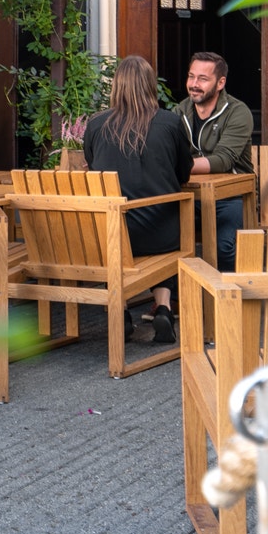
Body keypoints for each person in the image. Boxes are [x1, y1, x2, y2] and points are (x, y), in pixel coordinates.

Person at [83, 55, 192, 343]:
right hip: (159, 235)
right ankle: (165, 308)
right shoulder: (170, 122)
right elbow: (185, 172)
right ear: (150, 86)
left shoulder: (96, 126)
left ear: (116, 86)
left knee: (113, 227)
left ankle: (119, 312)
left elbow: (94, 167)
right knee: (165, 223)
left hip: (113, 235)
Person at [173, 52, 254, 271]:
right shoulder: (179, 111)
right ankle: (175, 300)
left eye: (202, 79)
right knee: (164, 240)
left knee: (222, 248)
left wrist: (179, 165)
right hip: (188, 194)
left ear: (220, 83)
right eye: (191, 77)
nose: (194, 84)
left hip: (230, 196)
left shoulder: (238, 112)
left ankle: (230, 296)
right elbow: (167, 149)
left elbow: (223, 160)